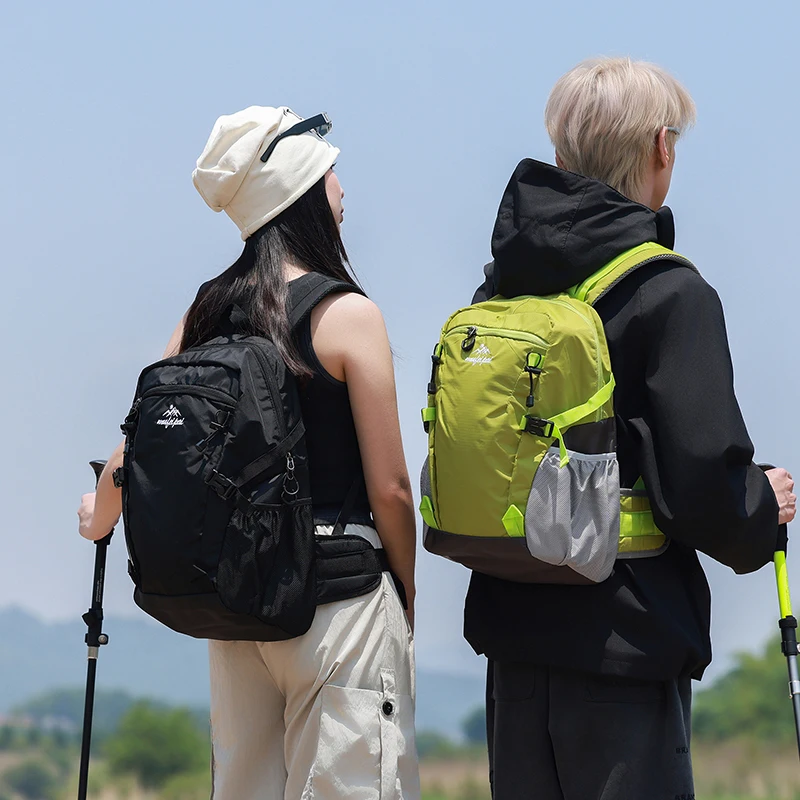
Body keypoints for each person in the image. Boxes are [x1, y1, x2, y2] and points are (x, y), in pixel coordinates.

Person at [463, 58, 797, 799]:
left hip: (511, 648)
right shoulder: (670, 292)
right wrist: (760, 505)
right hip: (624, 647)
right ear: (660, 148)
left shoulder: (501, 287)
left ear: (560, 153)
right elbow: (702, 482)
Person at [77, 106, 420, 799]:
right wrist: (404, 596)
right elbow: (390, 490)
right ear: (302, 191)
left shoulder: (203, 314)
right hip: (340, 604)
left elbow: (134, 451)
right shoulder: (347, 315)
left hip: (239, 610)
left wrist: (96, 515)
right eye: (332, 174)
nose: (343, 189)